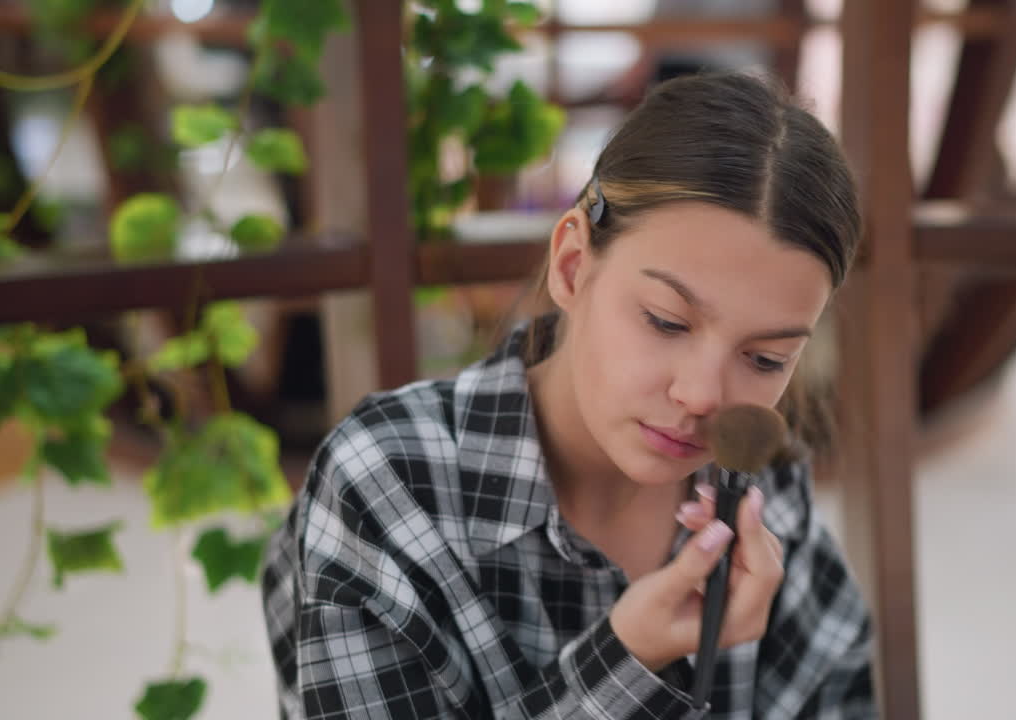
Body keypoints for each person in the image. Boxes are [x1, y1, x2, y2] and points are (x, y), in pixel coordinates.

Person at [262, 71, 874, 719]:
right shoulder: (386, 484)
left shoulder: (764, 495)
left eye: (765, 358)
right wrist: (626, 659)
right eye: (666, 320)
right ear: (572, 265)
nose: (702, 396)